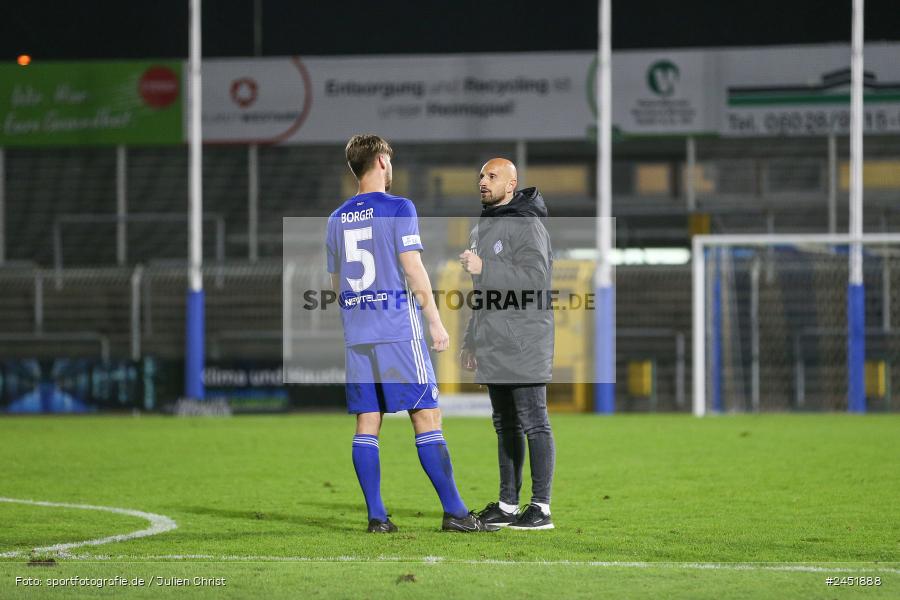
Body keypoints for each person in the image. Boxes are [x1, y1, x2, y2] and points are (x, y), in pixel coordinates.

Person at [326, 134, 498, 533]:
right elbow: (413, 268)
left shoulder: (336, 218)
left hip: (358, 333)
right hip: (397, 330)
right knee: (426, 415)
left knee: (367, 423)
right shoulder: (400, 206)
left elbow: (337, 285)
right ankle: (455, 513)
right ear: (382, 162)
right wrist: (435, 321)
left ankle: (376, 517)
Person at [458, 158, 556, 530]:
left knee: (534, 422)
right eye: (481, 174)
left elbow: (536, 278)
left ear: (511, 183)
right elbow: (482, 293)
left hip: (524, 339)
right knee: (505, 424)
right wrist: (472, 338)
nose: (482, 181)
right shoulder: (484, 225)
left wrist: (485, 268)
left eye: (492, 176)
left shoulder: (527, 222)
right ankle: (507, 505)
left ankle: (541, 508)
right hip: (494, 340)